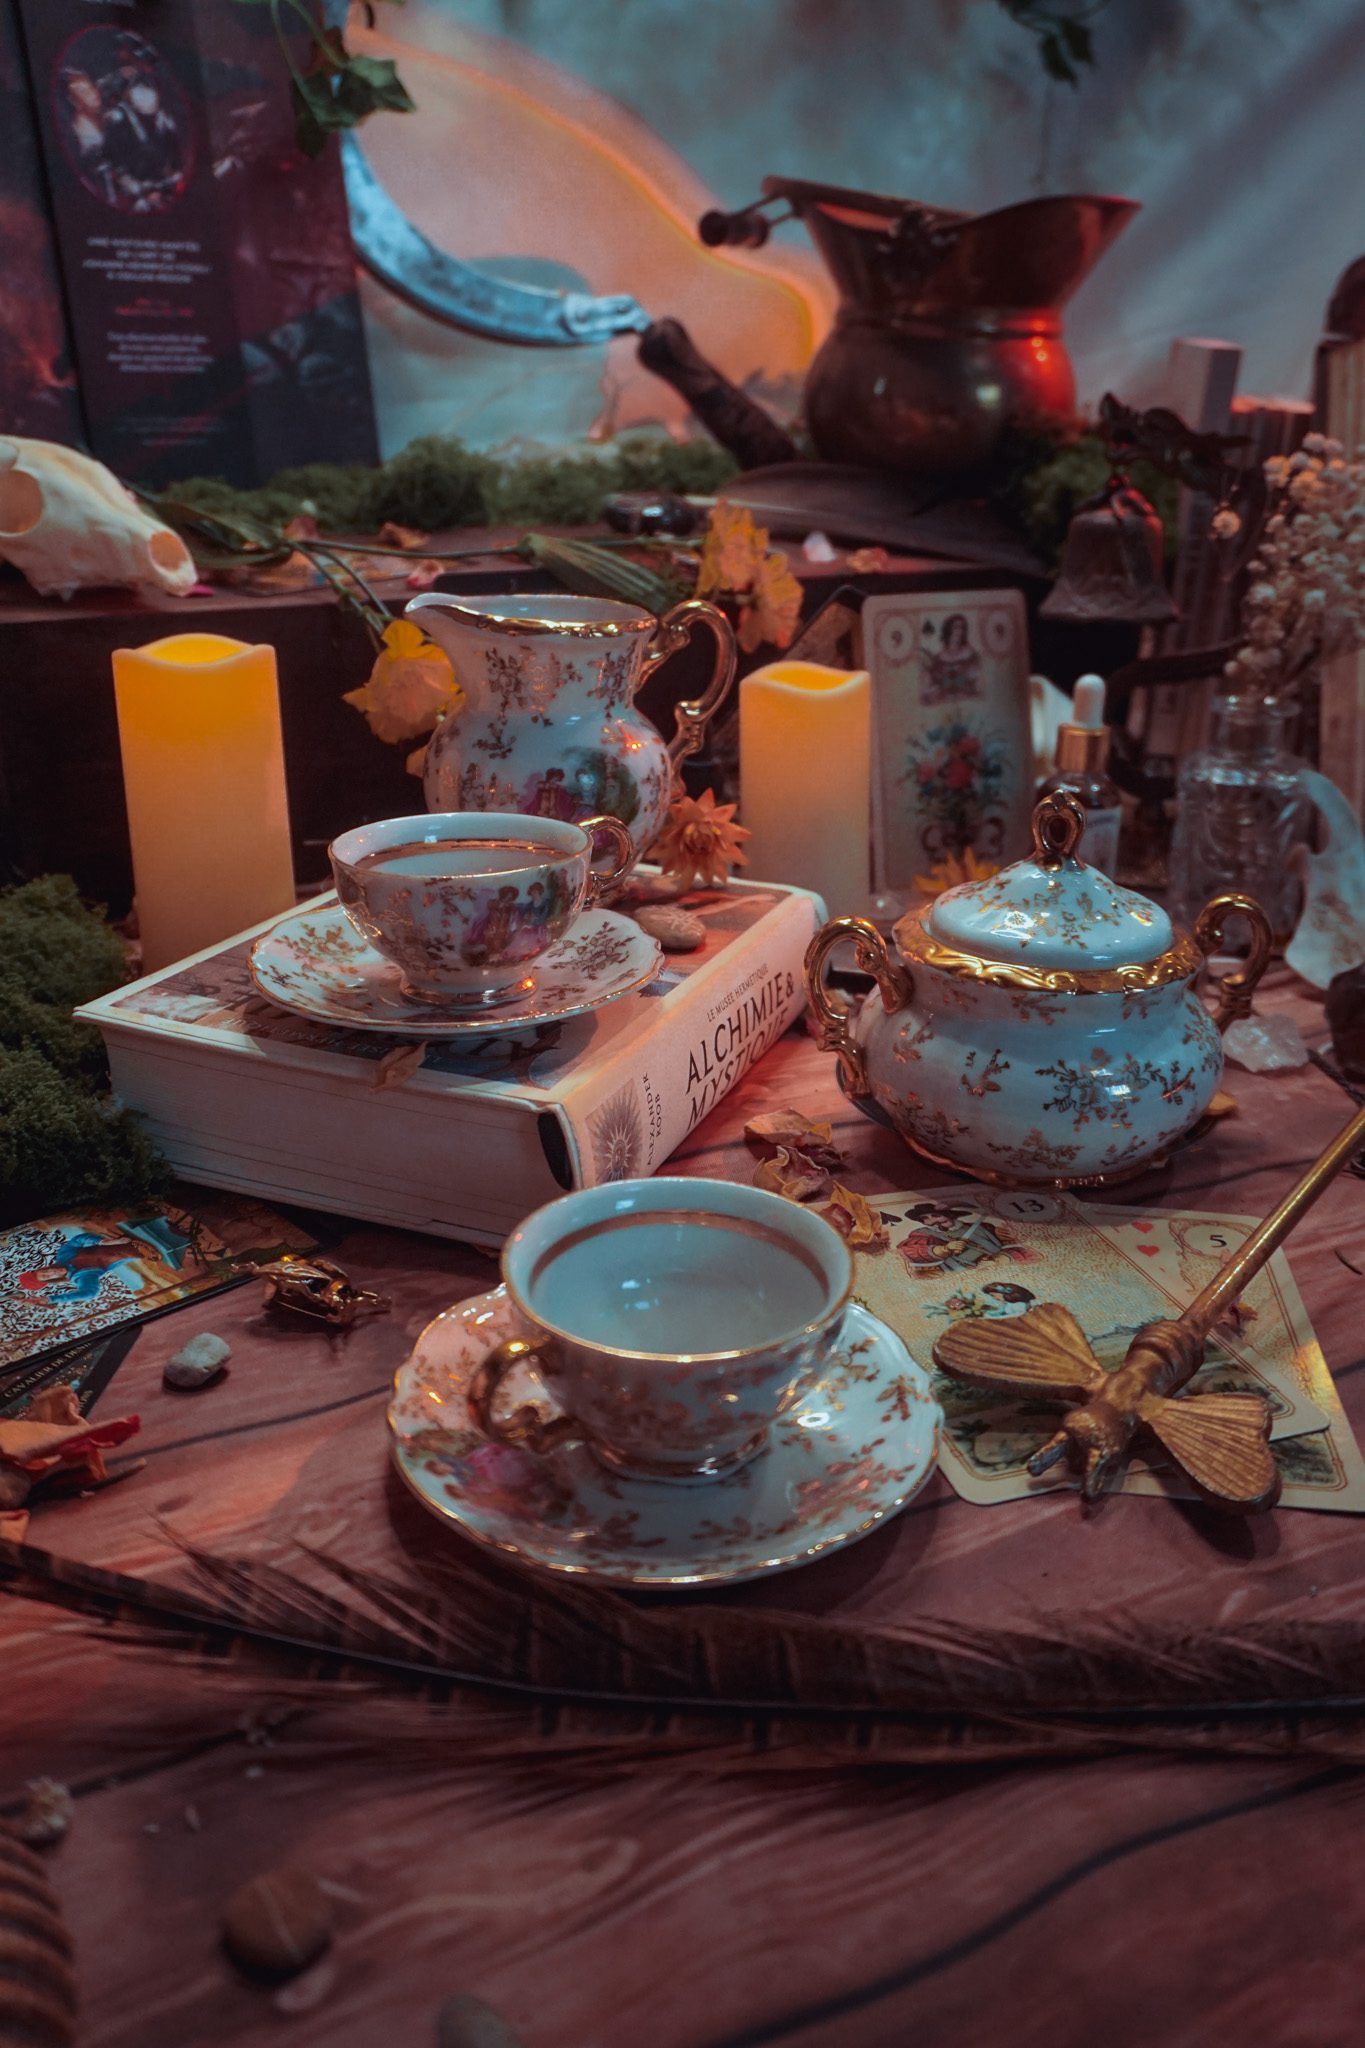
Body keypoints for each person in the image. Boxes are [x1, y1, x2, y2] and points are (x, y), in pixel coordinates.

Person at [923, 612, 983, 703]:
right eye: (956, 627)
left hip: (966, 701)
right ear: (948, 629)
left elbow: (976, 683)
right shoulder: (938, 658)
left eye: (962, 628)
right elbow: (932, 684)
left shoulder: (970, 655)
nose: (960, 631)